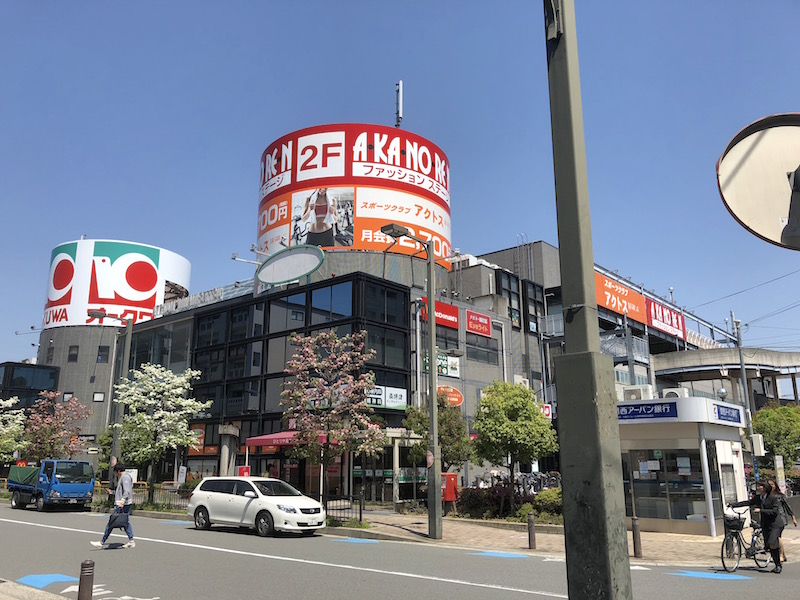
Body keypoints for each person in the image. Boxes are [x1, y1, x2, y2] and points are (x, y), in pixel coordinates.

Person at [730, 480, 785, 573]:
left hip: (775, 524)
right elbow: (748, 502)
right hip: (765, 524)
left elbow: (775, 512)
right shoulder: (758, 498)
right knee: (769, 545)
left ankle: (778, 564)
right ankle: (777, 564)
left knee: (772, 542)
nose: (758, 488)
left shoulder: (773, 498)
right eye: (757, 486)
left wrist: (761, 510)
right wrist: (733, 505)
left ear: (765, 487)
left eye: (760, 486)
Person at [91, 463, 135, 548]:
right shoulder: (124, 477)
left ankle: (101, 542)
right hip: (123, 503)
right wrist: (112, 492)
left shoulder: (125, 477)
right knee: (125, 522)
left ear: (118, 471)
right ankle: (131, 540)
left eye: (115, 472)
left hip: (122, 504)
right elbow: (122, 491)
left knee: (111, 522)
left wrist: (122, 502)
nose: (115, 474)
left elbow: (127, 491)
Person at [767, 478, 797, 562]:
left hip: (781, 518)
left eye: (772, 484)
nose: (771, 486)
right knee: (777, 536)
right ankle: (783, 555)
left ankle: (781, 555)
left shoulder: (780, 495)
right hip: (771, 519)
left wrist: (793, 517)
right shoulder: (766, 496)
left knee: (778, 536)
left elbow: (787, 507)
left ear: (775, 485)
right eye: (769, 485)